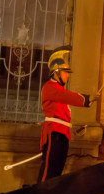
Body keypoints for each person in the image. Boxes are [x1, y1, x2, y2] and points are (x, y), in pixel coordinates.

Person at [38, 46, 97, 183]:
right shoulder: (49, 87)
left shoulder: (59, 89)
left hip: (63, 133)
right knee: (49, 170)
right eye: (65, 72)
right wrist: (86, 99)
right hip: (54, 132)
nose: (68, 75)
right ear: (56, 72)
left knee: (57, 170)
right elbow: (68, 97)